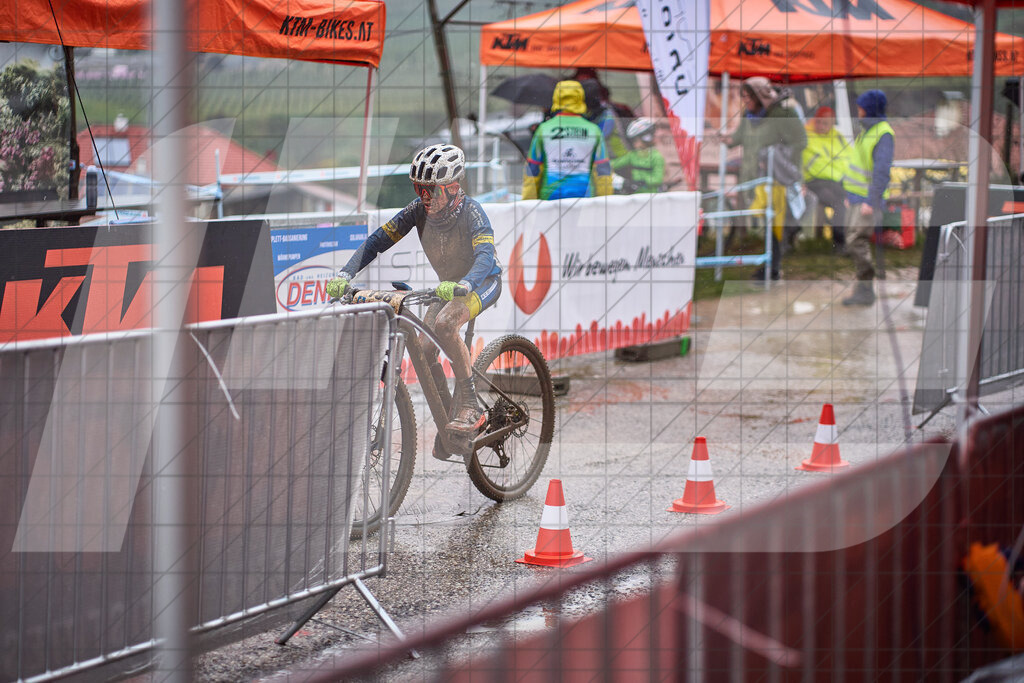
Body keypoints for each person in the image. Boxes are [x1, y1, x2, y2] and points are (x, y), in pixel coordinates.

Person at [324, 144, 502, 455]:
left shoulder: (473, 212)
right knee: (422, 349)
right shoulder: (417, 211)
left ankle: (471, 403)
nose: (425, 197)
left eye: (431, 189)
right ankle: (450, 417)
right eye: (419, 188)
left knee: (446, 325)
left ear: (453, 187)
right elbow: (377, 241)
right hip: (448, 286)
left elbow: (486, 257)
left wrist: (466, 284)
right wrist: (345, 273)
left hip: (482, 282)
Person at [725, 76, 807, 280]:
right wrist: (725, 139)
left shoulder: (784, 114)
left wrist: (778, 159)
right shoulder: (749, 116)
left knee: (772, 223)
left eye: (748, 97)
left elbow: (800, 142)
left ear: (760, 96)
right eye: (742, 97)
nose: (744, 101)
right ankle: (781, 247)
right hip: (753, 177)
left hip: (776, 178)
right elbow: (738, 138)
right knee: (767, 221)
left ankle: (772, 268)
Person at [842, 90, 895, 306]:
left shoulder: (883, 134)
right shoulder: (868, 130)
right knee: (852, 240)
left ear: (870, 108)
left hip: (867, 201)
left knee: (857, 241)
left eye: (861, 107)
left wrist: (871, 202)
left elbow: (881, 172)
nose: (858, 111)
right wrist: (850, 195)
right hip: (857, 198)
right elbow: (860, 166)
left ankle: (865, 289)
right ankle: (863, 287)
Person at [522, 80, 613, 200]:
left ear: (556, 98)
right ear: (580, 98)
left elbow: (533, 169)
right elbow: (603, 171)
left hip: (550, 197)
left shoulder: (544, 129)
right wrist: (605, 202)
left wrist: (528, 203)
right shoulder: (593, 130)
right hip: (583, 198)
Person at [802, 105, 850, 250]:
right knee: (839, 202)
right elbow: (814, 164)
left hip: (836, 182)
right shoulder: (806, 136)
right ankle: (840, 244)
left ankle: (848, 240)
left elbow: (850, 157)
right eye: (819, 122)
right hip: (814, 183)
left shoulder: (837, 137)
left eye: (825, 123)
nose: (821, 126)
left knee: (852, 199)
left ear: (831, 124)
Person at [610, 117, 665, 194]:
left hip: (652, 194)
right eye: (633, 141)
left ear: (646, 138)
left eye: (636, 140)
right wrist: (601, 164)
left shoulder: (656, 157)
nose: (634, 143)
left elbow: (658, 179)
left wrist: (643, 181)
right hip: (637, 194)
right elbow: (616, 163)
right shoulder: (633, 155)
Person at [582, 78, 629, 162]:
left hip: (618, 159)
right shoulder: (592, 113)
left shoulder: (607, 115)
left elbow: (594, 140)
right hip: (607, 160)